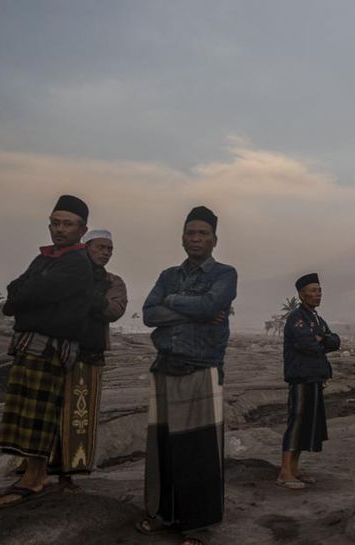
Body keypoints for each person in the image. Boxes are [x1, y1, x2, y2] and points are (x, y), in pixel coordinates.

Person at [137, 206, 238, 545]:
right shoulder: (168, 274)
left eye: (202, 233)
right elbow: (149, 314)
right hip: (165, 367)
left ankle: (197, 524)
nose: (195, 238)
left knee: (198, 450)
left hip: (200, 367)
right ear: (182, 237)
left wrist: (174, 302)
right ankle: (164, 513)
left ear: (214, 239)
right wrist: (191, 309)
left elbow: (211, 307)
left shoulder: (225, 274)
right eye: (190, 233)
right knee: (165, 447)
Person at [0, 195, 93, 509]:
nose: (59, 230)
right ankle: (34, 472)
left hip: (49, 350)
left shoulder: (76, 262)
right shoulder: (44, 259)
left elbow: (32, 297)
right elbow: (16, 290)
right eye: (55, 223)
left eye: (67, 224)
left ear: (82, 229)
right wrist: (24, 302)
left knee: (38, 414)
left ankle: (34, 478)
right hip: (33, 347)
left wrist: (24, 309)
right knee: (26, 412)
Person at [51, 229, 128, 489]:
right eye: (101, 247)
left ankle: (68, 473)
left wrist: (83, 294)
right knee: (50, 411)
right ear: (86, 246)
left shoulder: (114, 281)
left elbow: (115, 310)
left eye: (110, 249)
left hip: (89, 354)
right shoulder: (66, 271)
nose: (106, 253)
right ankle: (37, 471)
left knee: (80, 416)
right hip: (56, 351)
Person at [278, 272, 341, 489]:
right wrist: (322, 340)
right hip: (301, 377)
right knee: (297, 422)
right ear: (301, 294)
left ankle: (295, 469)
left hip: (315, 377)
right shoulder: (297, 318)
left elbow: (335, 341)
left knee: (307, 426)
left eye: (320, 290)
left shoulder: (315, 318)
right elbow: (307, 344)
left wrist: (321, 338)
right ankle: (285, 472)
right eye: (314, 291)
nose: (318, 294)